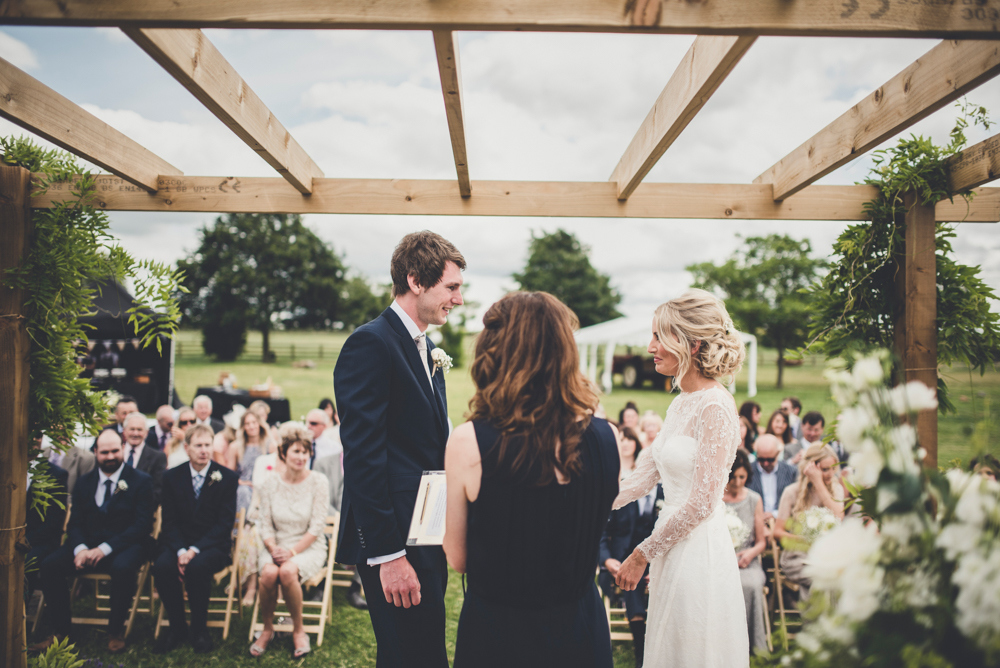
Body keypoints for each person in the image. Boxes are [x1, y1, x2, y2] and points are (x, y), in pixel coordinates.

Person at [444, 291, 617, 668]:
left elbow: (457, 557)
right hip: (581, 630)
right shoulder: (608, 437)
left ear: (495, 352)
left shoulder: (469, 442)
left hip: (501, 636)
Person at [334, 231, 465, 668]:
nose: (458, 299)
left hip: (425, 531)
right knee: (410, 653)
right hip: (393, 541)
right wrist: (388, 555)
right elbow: (364, 457)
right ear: (415, 281)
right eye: (451, 287)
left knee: (417, 651)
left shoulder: (425, 346)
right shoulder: (371, 343)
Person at [613, 288, 749, 667]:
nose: (650, 345)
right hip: (670, 545)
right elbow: (641, 478)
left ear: (692, 343)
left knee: (693, 649)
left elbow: (703, 502)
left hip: (697, 548)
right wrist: (589, 502)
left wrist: (642, 554)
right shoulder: (680, 403)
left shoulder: (716, 407)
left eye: (659, 336)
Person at [37, 430, 154, 653]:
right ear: (95, 452)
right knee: (50, 564)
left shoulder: (141, 482)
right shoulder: (83, 483)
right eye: (105, 452)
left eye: (115, 451)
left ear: (123, 449)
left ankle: (115, 631)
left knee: (123, 567)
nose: (110, 456)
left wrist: (103, 549)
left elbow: (141, 526)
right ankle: (60, 631)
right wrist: (81, 548)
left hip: (126, 545)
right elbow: (75, 523)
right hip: (87, 545)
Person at [153, 424, 238, 654]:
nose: (204, 450)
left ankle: (199, 630)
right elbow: (168, 521)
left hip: (212, 545)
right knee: (161, 567)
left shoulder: (228, 478)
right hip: (177, 543)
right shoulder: (171, 477)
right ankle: (177, 627)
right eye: (198, 446)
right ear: (187, 448)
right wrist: (181, 550)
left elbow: (224, 525)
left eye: (207, 445)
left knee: (198, 568)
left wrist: (194, 550)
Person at [249, 424, 330, 659]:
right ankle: (267, 628)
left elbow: (316, 528)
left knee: (286, 572)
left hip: (308, 546)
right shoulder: (269, 483)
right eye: (296, 451)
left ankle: (298, 629)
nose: (301, 457)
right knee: (268, 574)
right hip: (274, 545)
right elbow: (264, 524)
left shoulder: (318, 482)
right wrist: (274, 549)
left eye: (305, 452)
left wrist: (292, 552)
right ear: (283, 453)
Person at [599, 425, 660, 668]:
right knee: (630, 580)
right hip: (621, 560)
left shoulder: (667, 494)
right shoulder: (624, 492)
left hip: (655, 561)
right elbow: (601, 533)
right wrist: (606, 560)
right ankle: (641, 654)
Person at [773, 443, 845, 600]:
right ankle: (816, 623)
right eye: (825, 469)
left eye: (833, 469)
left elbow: (839, 516)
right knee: (822, 578)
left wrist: (819, 483)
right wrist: (804, 541)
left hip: (827, 556)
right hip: (797, 558)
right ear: (811, 467)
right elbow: (777, 532)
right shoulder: (791, 492)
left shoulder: (836, 489)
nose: (830, 474)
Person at [723, 449, 768, 654]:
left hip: (746, 560)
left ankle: (754, 646)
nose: (738, 482)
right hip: (720, 559)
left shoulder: (754, 499)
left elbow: (761, 542)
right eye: (733, 477)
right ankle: (725, 645)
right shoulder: (715, 498)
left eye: (742, 477)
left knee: (750, 585)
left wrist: (750, 554)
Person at [25, 458, 69, 597]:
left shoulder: (55, 474)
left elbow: (53, 522)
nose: (32, 439)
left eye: (37, 435)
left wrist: (24, 541)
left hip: (40, 541)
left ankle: (18, 613)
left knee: (24, 564)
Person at [746, 434, 798, 522]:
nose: (765, 463)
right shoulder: (748, 471)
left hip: (783, 522)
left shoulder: (791, 472)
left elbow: (796, 502)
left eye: (770, 459)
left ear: (778, 454)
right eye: (761, 459)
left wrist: (775, 514)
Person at [121, 412, 168, 503]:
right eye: (132, 429)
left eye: (139, 430)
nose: (135, 433)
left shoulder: (158, 457)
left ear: (146, 433)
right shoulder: (115, 453)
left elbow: (157, 491)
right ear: (124, 431)